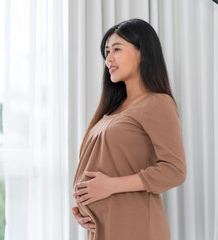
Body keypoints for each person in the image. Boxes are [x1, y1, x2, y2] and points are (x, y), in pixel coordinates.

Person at [71, 18, 187, 240]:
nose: (109, 59)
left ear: (142, 52)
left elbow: (175, 170)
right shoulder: (113, 109)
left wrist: (110, 186)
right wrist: (84, 209)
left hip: (135, 225)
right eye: (107, 52)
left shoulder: (157, 103)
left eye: (117, 49)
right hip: (102, 227)